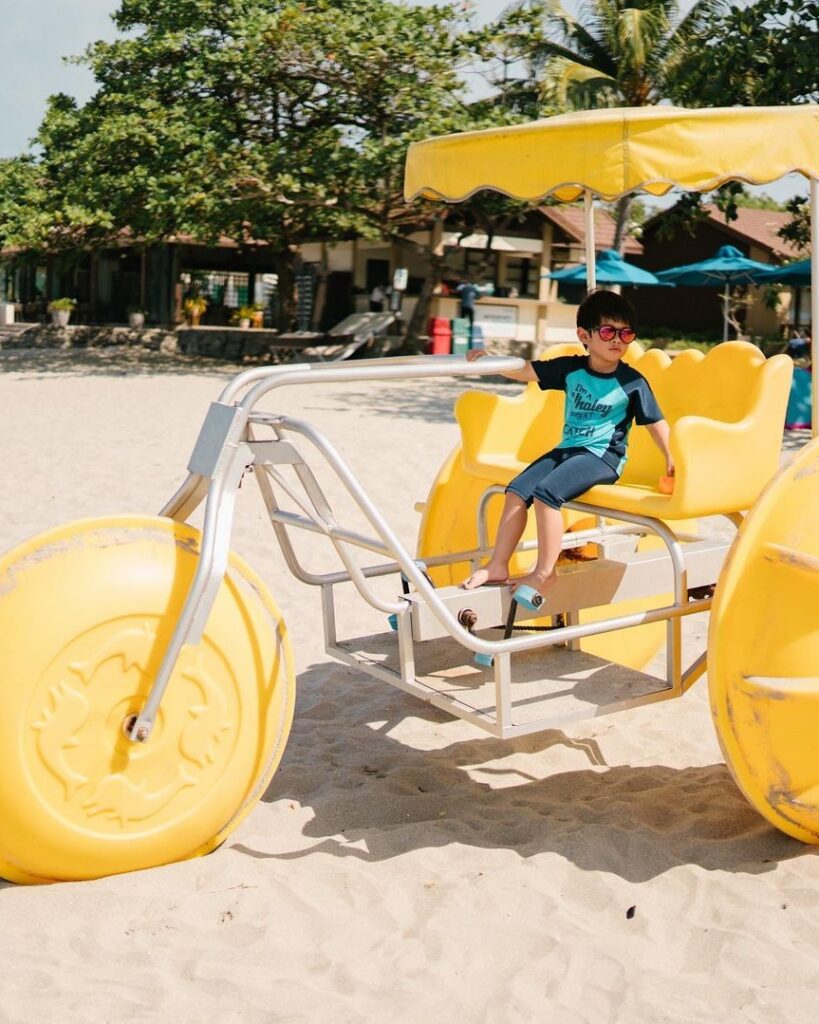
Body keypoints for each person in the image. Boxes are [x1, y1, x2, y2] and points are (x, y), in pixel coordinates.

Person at [462, 289, 674, 604]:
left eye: (625, 333)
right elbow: (526, 371)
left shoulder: (632, 381)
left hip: (602, 458)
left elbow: (656, 423)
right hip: (569, 450)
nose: (617, 340)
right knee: (517, 490)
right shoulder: (571, 369)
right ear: (583, 335)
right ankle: (497, 565)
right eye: (607, 331)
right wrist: (490, 362)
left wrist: (672, 459)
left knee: (548, 493)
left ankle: (545, 572)